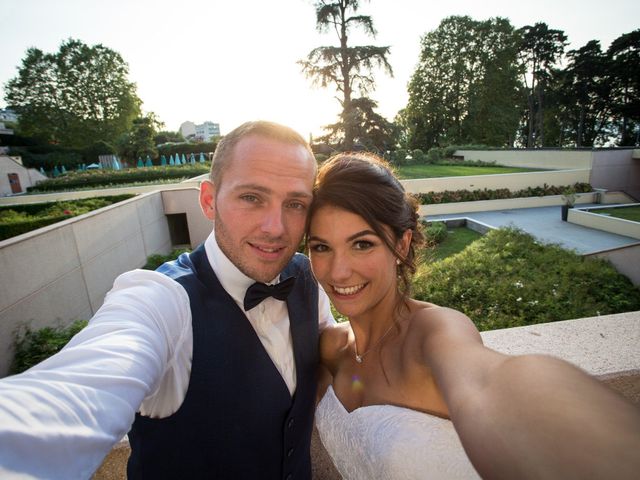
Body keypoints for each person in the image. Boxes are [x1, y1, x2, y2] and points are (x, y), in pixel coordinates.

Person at [0, 120, 334, 479]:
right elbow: (82, 384)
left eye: (296, 204)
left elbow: (334, 345)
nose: (275, 227)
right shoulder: (160, 299)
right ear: (209, 200)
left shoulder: (306, 277)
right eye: (251, 197)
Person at [307, 152, 640, 480]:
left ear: (402, 245)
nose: (338, 271)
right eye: (321, 247)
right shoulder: (331, 349)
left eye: (362, 244)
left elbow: (490, 383)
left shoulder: (434, 332)